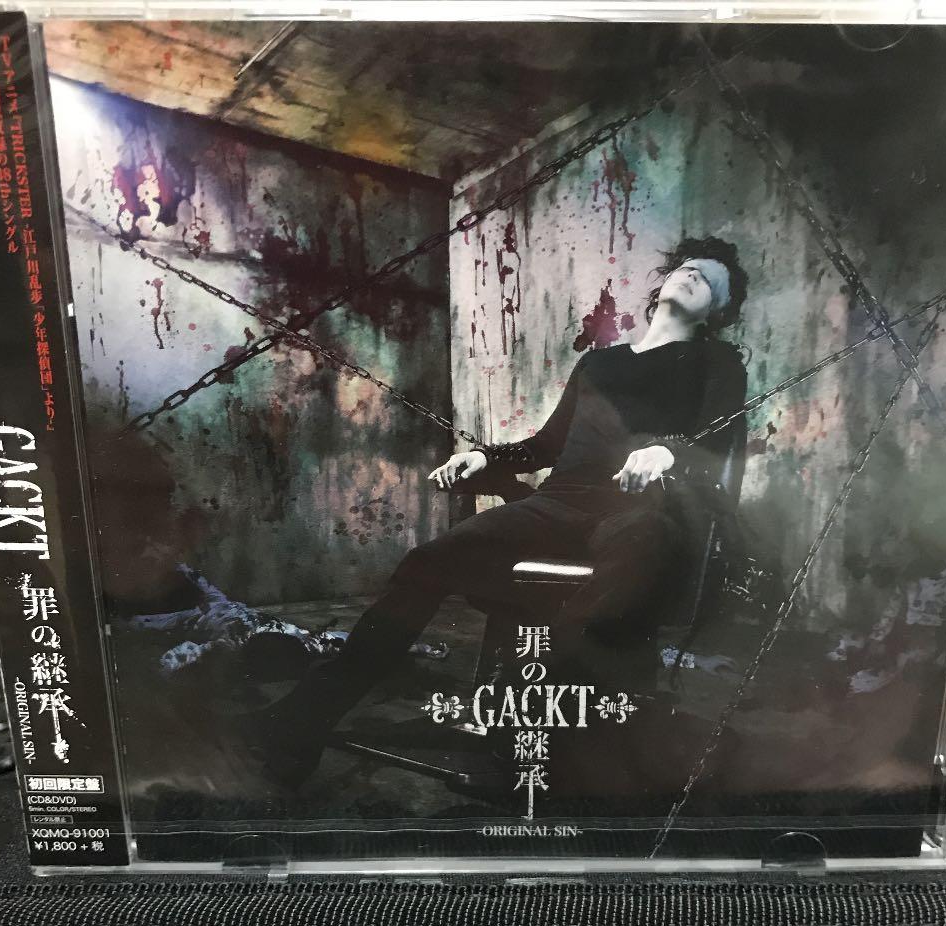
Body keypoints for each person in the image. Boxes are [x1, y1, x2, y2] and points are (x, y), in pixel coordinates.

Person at [274, 235, 749, 761]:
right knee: (429, 561)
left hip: (641, 512)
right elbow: (546, 446)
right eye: (687, 268)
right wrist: (486, 457)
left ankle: (534, 715)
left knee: (634, 552)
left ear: (719, 310)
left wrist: (667, 452)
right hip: (560, 504)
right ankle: (305, 717)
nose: (692, 276)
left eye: (709, 280)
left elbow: (715, 443)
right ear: (664, 281)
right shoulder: (600, 365)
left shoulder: (717, 364)